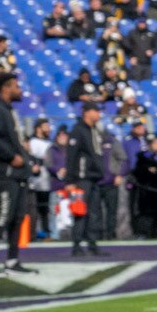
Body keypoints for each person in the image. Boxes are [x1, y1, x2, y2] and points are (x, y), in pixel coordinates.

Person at [63, 101, 113, 259]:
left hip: (93, 178)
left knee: (94, 213)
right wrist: (69, 180)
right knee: (80, 211)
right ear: (87, 112)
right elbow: (71, 156)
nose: (98, 114)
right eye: (96, 110)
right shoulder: (78, 130)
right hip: (81, 178)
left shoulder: (94, 131)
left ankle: (92, 244)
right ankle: (76, 245)